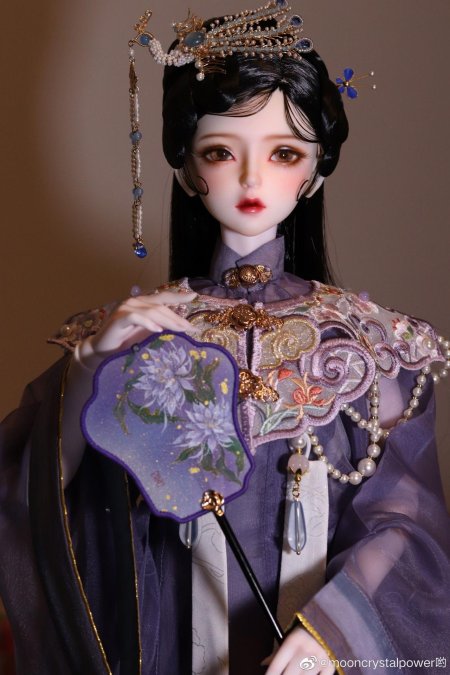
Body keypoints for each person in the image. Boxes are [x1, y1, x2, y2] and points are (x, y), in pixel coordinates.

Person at [1, 2, 449, 673]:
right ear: (187, 168)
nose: (250, 179)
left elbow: (407, 521)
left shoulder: (366, 345)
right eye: (220, 152)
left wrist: (334, 633)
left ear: (315, 171)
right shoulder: (138, 331)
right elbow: (31, 496)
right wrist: (90, 375)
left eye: (283, 153)